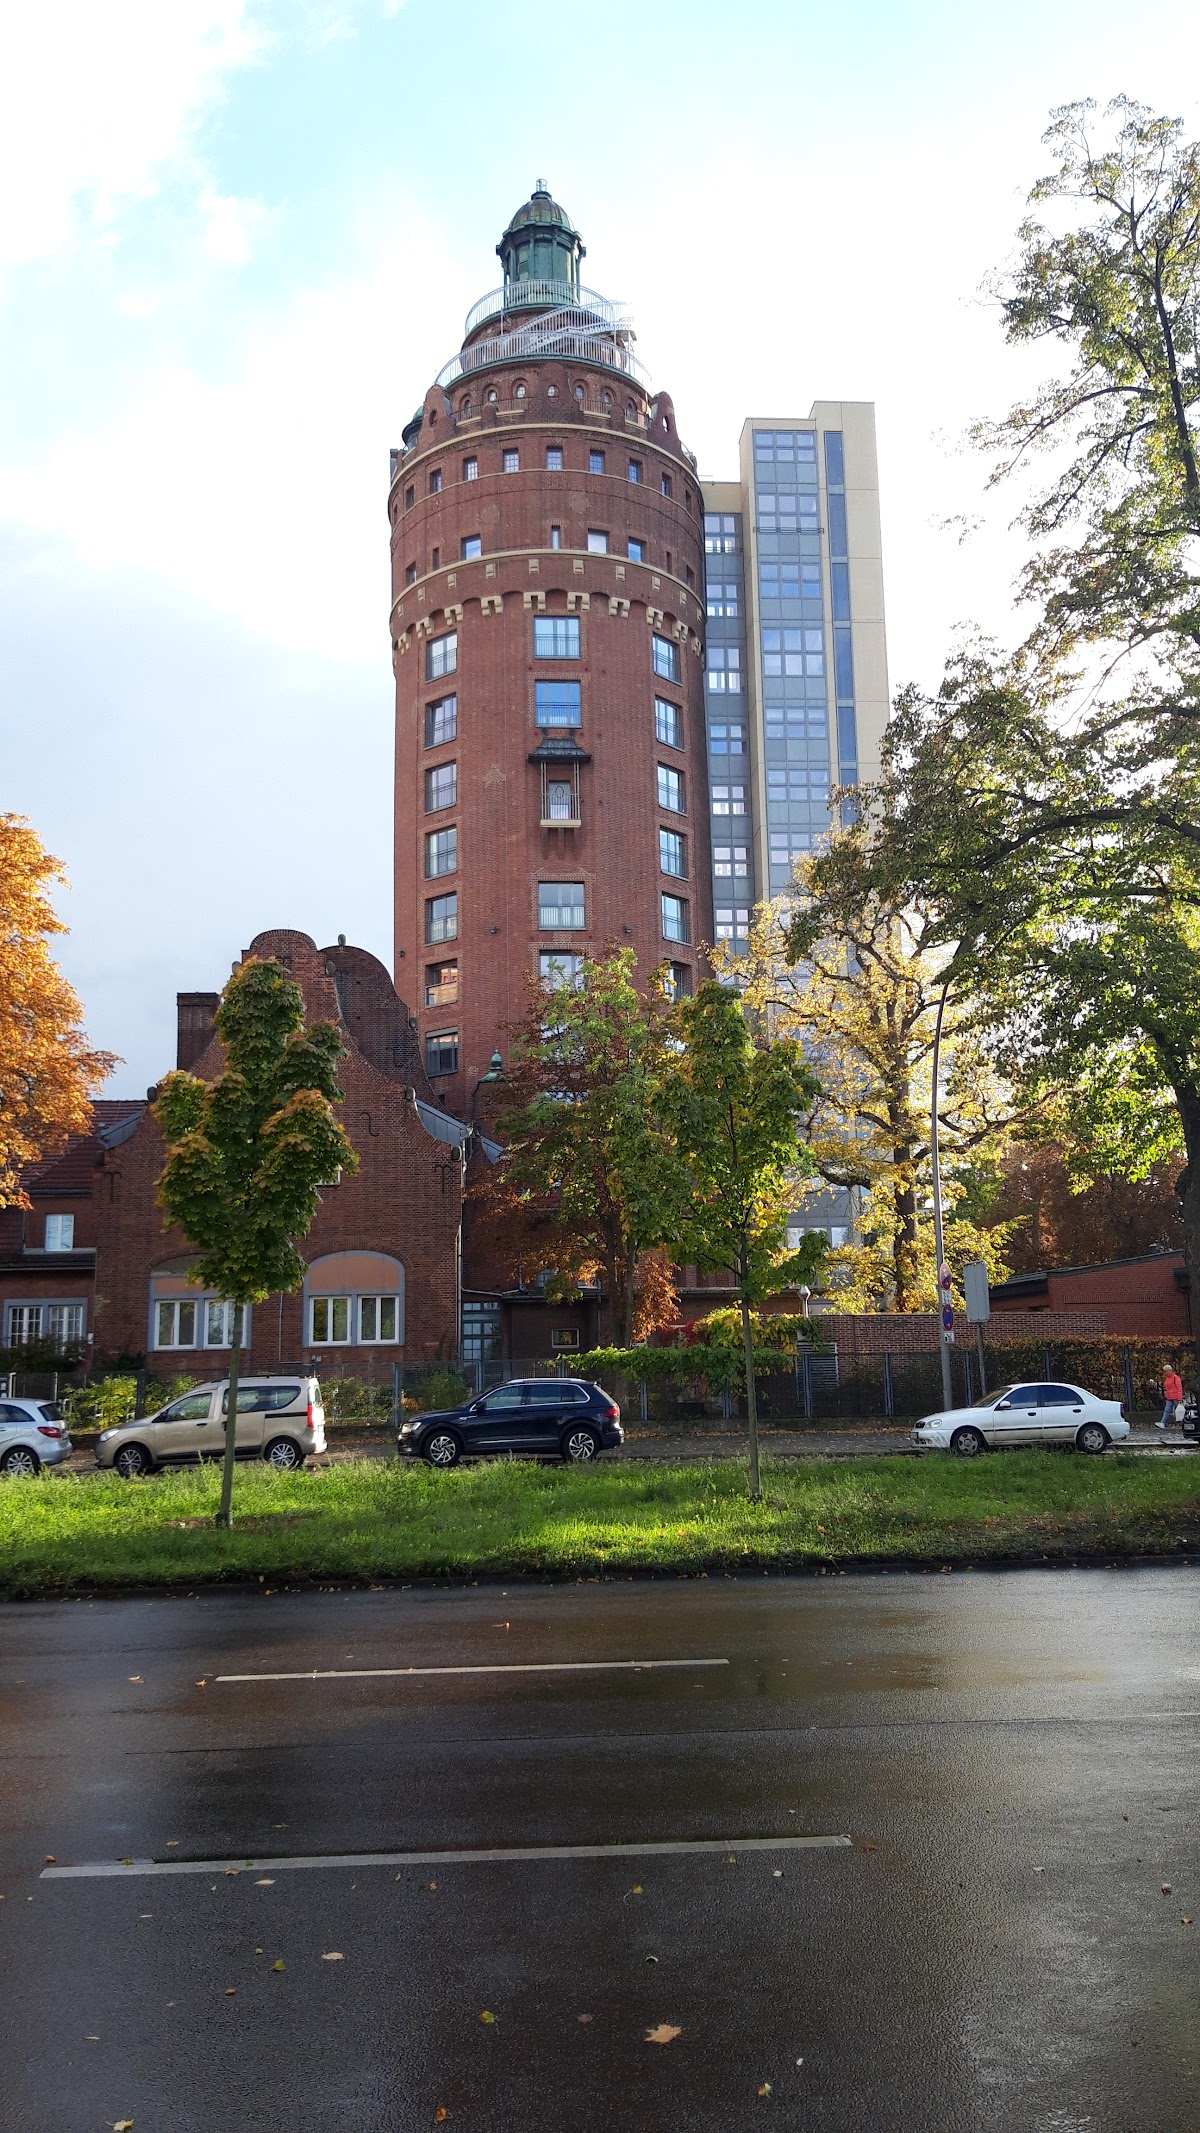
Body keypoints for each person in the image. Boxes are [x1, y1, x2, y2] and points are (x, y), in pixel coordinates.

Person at [1159, 1365, 1184, 1431]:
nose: (1165, 1373)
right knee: (1167, 1410)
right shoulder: (1168, 1378)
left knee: (1179, 1411)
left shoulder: (1176, 1378)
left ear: (1170, 1371)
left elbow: (1179, 1388)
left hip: (1176, 1397)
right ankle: (1162, 1423)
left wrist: (1180, 1398)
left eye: (1166, 1371)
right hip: (1169, 1397)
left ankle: (1183, 1424)